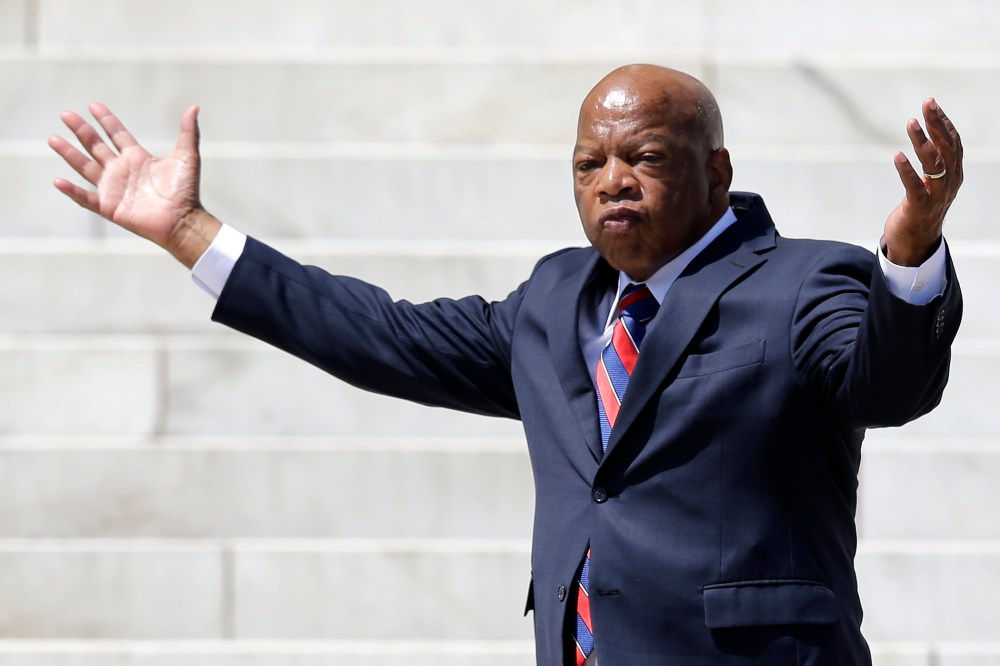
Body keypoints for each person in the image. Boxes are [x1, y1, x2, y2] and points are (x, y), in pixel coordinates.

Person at [49, 64, 963, 665]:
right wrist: (189, 233)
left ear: (716, 172)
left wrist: (912, 255)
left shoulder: (805, 281)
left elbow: (888, 384)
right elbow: (384, 336)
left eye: (643, 157)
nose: (613, 180)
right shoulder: (556, 301)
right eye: (588, 163)